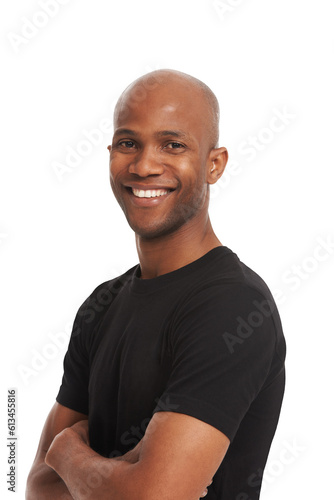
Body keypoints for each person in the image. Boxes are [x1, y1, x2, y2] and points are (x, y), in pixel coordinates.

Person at [26, 69, 286, 500]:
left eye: (173, 145)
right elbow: (37, 486)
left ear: (214, 164)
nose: (145, 166)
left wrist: (69, 455)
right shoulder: (102, 304)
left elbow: (152, 497)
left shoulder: (234, 306)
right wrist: (125, 474)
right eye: (129, 143)